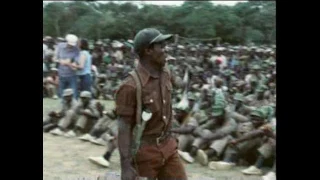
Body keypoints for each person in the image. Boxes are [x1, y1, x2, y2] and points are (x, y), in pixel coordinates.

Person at [115, 28, 187, 180]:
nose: (165, 50)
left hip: (168, 147)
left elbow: (179, 84)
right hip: (144, 153)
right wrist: (126, 167)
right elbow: (124, 128)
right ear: (148, 50)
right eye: (161, 46)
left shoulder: (166, 73)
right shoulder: (130, 86)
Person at [53, 34, 80, 99]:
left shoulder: (76, 49)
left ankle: (74, 107)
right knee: (62, 93)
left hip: (72, 74)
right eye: (69, 44)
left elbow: (76, 62)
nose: (71, 46)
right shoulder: (60, 46)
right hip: (61, 73)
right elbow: (54, 58)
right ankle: (63, 107)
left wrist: (69, 63)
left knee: (74, 93)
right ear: (67, 42)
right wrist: (61, 61)